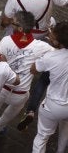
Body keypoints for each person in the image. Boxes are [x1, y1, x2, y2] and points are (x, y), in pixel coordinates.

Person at [0, 0, 68, 131]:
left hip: (21, 32)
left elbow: (5, 20)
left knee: (6, 46)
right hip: (41, 33)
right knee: (51, 24)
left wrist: (10, 22)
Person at [0, 11, 54, 136]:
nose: (10, 24)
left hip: (1, 88)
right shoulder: (41, 46)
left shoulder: (6, 41)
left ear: (20, 28)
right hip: (20, 94)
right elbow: (57, 54)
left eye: (12, 23)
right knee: (12, 111)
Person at [30, 21, 68, 153]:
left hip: (53, 105)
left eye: (53, 37)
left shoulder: (50, 57)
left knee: (42, 137)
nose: (50, 36)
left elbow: (34, 69)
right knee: (65, 129)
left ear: (59, 43)